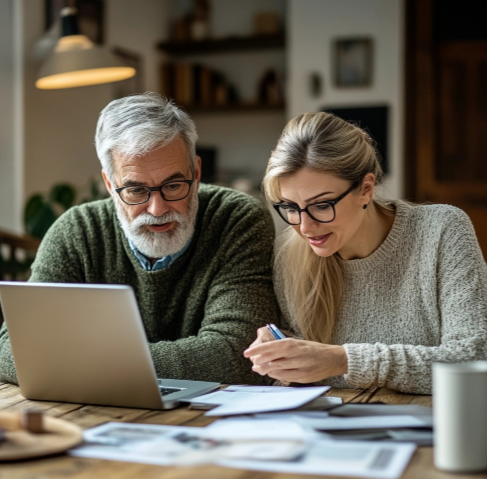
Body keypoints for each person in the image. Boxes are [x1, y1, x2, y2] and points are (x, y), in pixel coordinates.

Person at [0, 93, 279, 385]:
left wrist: (79, 362)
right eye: (135, 191)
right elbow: (14, 350)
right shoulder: (77, 230)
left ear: (196, 173)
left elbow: (240, 357)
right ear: (110, 184)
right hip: (95, 414)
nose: (157, 209)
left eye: (173, 185)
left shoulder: (237, 219)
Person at [244, 111, 487, 394]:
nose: (305, 226)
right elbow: (313, 379)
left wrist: (345, 360)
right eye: (290, 207)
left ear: (366, 189)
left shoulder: (440, 230)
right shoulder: (290, 254)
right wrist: (283, 357)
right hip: (333, 430)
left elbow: (474, 361)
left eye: (322, 205)